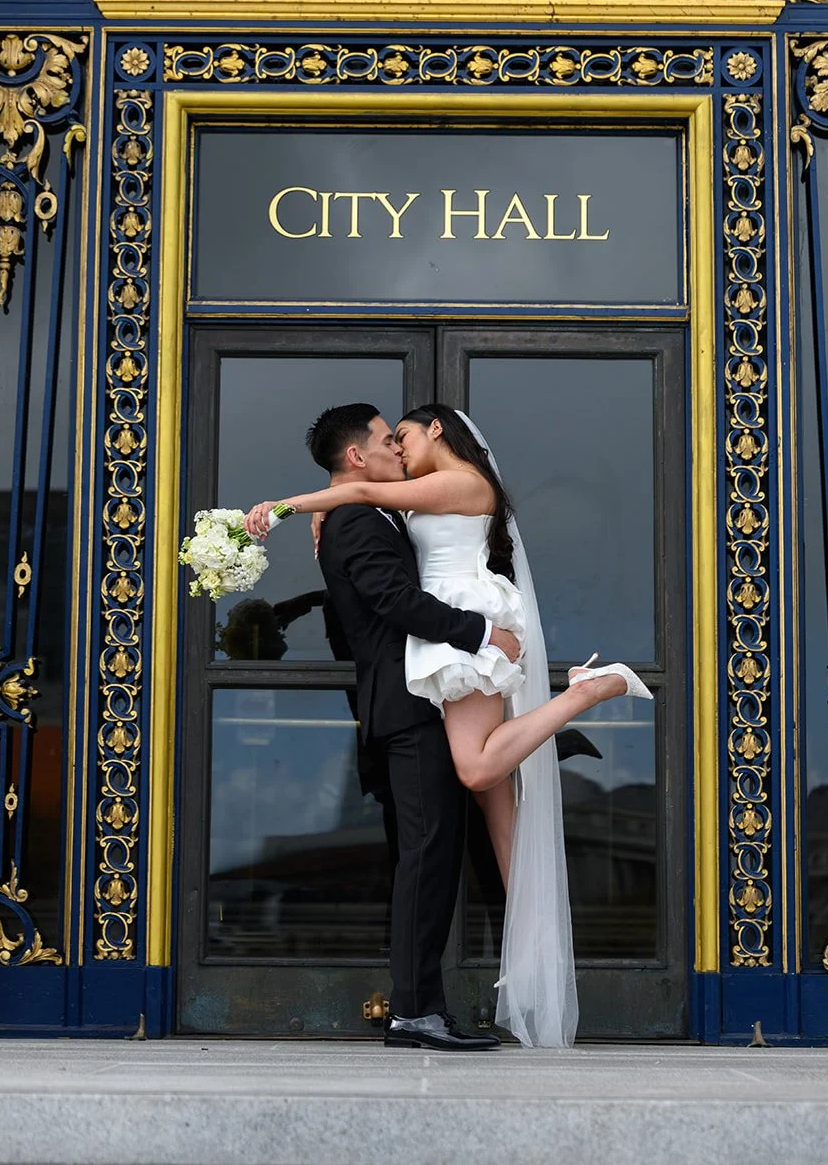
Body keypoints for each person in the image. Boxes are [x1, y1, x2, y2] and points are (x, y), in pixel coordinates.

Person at [245, 402, 650, 1048]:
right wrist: (478, 630)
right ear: (357, 453)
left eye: (401, 437)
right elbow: (387, 597)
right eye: (387, 439)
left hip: (437, 681)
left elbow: (383, 576)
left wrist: (309, 507)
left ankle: (429, 1007)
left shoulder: (396, 502)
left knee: (445, 842)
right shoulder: (358, 515)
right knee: (431, 852)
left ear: (438, 430)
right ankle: (417, 1012)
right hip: (416, 698)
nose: (396, 450)